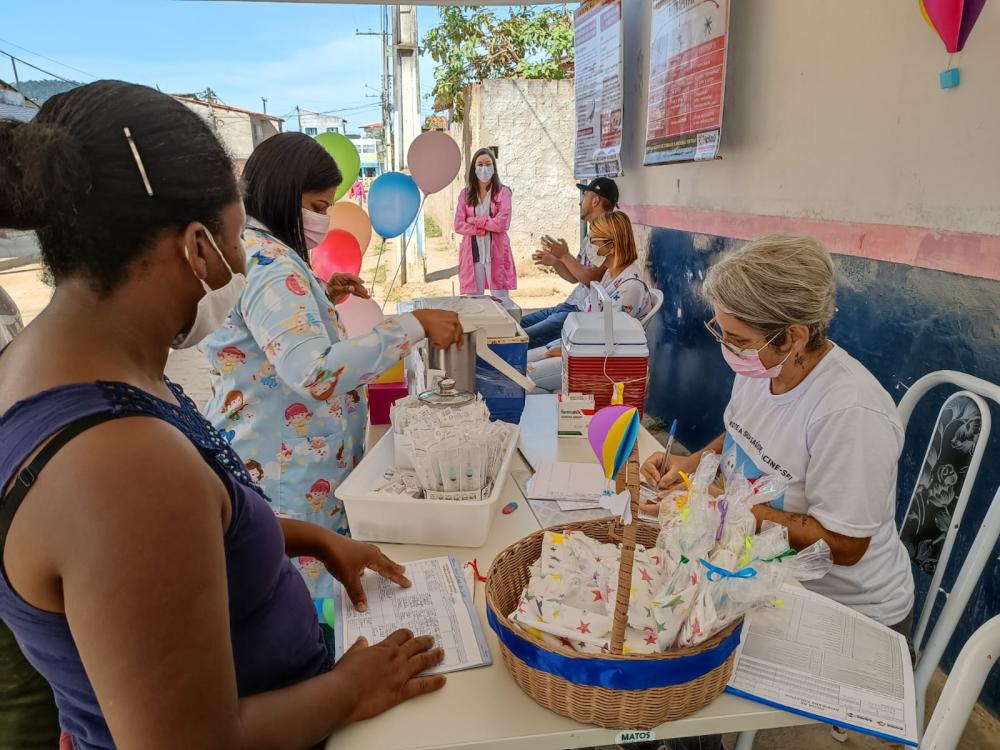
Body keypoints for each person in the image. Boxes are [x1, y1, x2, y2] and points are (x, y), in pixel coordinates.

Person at [0, 80, 446, 750]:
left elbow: (184, 538)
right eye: (240, 238)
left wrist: (305, 536)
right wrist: (352, 688)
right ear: (197, 246)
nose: (245, 265)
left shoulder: (59, 364)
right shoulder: (121, 466)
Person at [201, 132, 461, 597]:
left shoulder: (260, 252)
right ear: (284, 193)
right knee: (303, 596)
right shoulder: (272, 265)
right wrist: (413, 326)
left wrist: (320, 297)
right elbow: (313, 372)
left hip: (288, 465)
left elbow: (276, 335)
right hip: (287, 478)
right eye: (318, 207)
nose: (323, 220)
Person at [641, 234, 914, 631]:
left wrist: (723, 506)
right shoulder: (764, 365)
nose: (728, 349)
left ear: (794, 336)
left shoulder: (849, 412)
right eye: (722, 333)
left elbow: (845, 546)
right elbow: (741, 433)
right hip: (758, 569)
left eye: (738, 340)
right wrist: (692, 463)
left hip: (845, 612)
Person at [527, 211, 653, 393]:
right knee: (517, 366)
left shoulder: (630, 287)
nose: (589, 247)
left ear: (611, 245)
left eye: (594, 242)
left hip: (595, 360)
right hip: (579, 346)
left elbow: (607, 339)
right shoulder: (611, 273)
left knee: (524, 381)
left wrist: (563, 351)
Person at [522, 177, 619, 348]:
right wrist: (556, 262)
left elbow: (592, 281)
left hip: (580, 313)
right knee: (516, 325)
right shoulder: (591, 233)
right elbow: (576, 278)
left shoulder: (608, 235)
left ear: (595, 200)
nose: (581, 202)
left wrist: (565, 256)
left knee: (518, 338)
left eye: (585, 195)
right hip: (571, 304)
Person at [454, 148, 516, 299]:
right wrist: (485, 227)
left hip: (497, 254)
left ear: (494, 168)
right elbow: (458, 225)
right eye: (480, 164)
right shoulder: (465, 194)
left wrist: (474, 221)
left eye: (488, 164)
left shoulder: (504, 192)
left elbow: (502, 224)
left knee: (501, 299)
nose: (484, 168)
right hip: (473, 254)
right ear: (474, 168)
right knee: (473, 300)